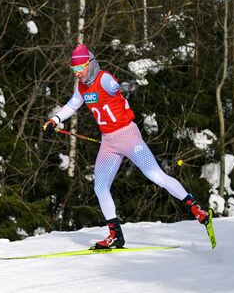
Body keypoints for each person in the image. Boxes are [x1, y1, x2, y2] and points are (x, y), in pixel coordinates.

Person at [43, 44, 209, 249]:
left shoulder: (103, 78)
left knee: (156, 176)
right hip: (109, 142)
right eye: (74, 70)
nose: (77, 74)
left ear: (90, 64)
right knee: (100, 187)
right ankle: (115, 235)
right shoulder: (82, 87)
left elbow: (113, 85)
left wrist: (113, 86)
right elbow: (72, 105)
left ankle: (195, 208)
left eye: (80, 69)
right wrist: (55, 119)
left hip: (128, 135)